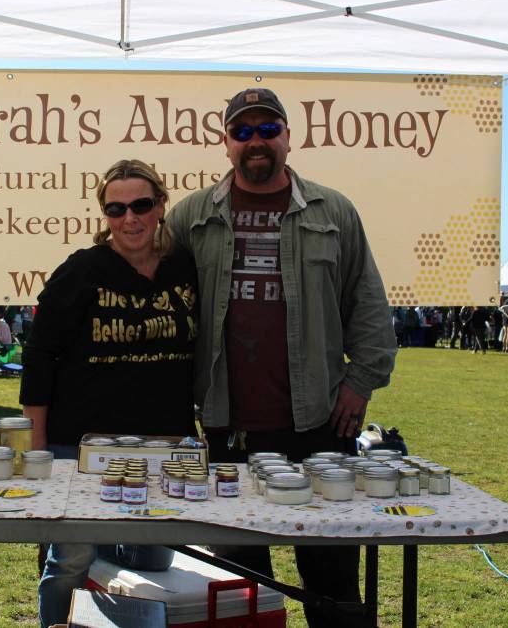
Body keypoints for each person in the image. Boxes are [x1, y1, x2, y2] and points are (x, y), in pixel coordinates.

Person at [167, 87, 397, 622]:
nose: (256, 142)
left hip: (317, 421)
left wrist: (360, 383)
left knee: (332, 578)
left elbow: (368, 305)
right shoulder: (191, 217)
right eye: (242, 131)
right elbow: (163, 307)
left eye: (268, 130)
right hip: (226, 427)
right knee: (241, 586)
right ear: (225, 142)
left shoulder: (333, 210)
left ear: (289, 138)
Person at [20, 159, 198, 628]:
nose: (129, 219)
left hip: (164, 445)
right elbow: (38, 356)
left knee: (156, 557)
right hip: (83, 444)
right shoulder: (81, 270)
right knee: (70, 563)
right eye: (115, 209)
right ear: (104, 214)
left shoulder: (186, 266)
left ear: (161, 205)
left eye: (141, 205)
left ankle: (97, 542)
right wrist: (37, 446)